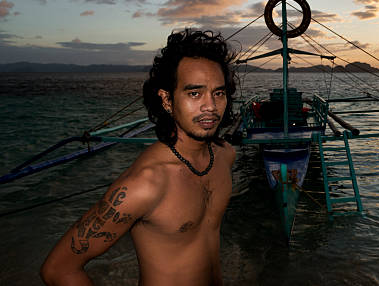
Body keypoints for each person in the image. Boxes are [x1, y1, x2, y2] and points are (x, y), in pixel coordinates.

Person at [41, 29, 237, 286]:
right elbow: (58, 270)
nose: (210, 106)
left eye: (218, 93)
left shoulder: (224, 155)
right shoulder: (144, 185)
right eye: (194, 93)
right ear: (167, 100)